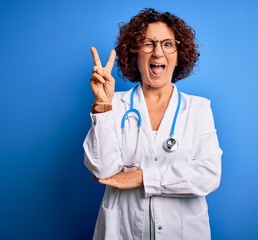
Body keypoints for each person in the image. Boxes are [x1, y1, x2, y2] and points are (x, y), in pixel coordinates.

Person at [83, 8, 222, 240]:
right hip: (122, 232)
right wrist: (102, 106)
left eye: (168, 44)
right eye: (148, 43)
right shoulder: (114, 105)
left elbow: (208, 175)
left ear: (179, 55)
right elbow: (103, 170)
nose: (158, 52)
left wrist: (141, 177)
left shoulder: (198, 109)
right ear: (135, 53)